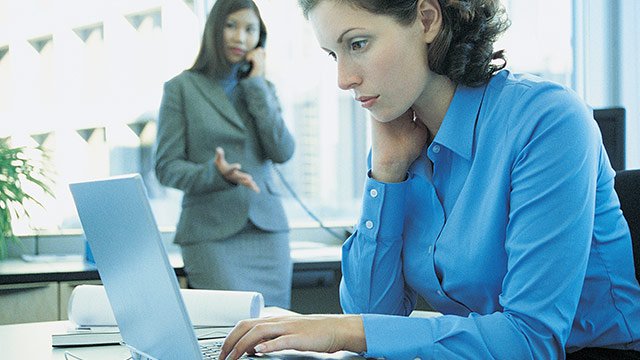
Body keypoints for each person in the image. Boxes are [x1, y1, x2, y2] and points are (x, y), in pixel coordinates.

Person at [218, 0, 640, 359]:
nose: (344, 78)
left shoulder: (547, 122)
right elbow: (371, 312)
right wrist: (385, 174)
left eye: (358, 44)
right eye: (333, 54)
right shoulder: (401, 145)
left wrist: (341, 330)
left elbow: (532, 340)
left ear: (426, 19)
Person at [154, 0, 295, 309]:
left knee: (275, 335)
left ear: (260, 38)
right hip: (210, 234)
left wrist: (256, 85)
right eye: (231, 26)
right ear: (214, 29)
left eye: (250, 29)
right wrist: (215, 174)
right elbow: (166, 167)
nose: (240, 38)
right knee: (229, 333)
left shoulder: (262, 88)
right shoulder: (181, 88)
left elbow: (283, 151)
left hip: (268, 233)